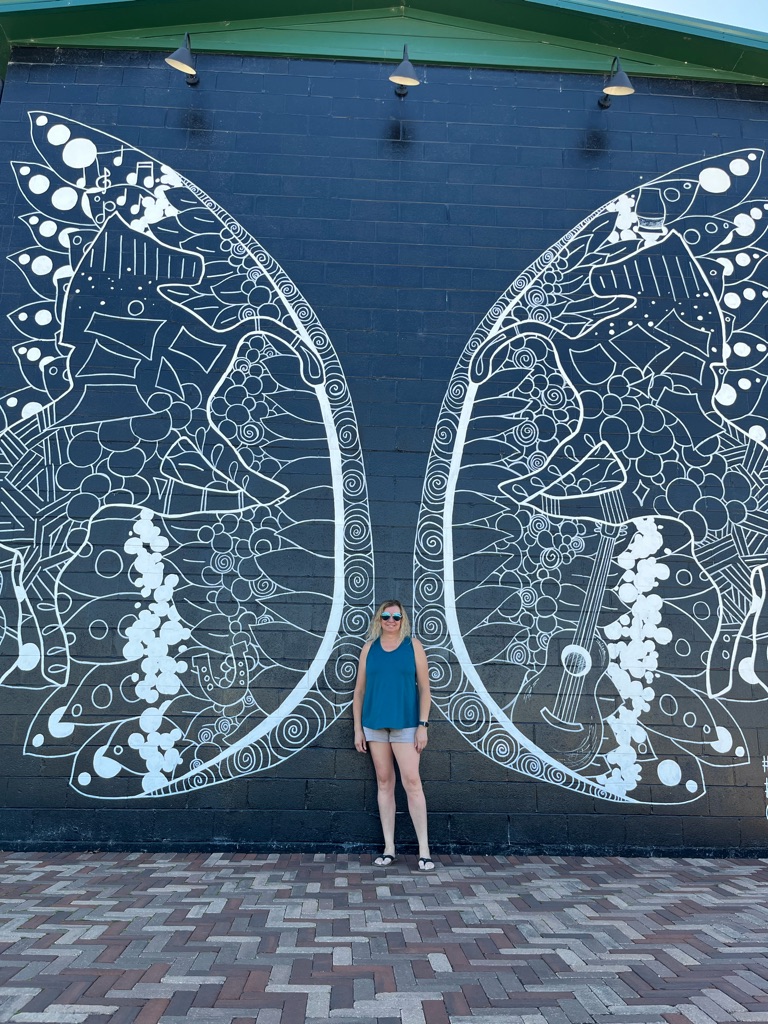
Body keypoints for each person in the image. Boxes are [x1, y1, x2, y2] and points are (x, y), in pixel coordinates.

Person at [353, 599, 434, 871]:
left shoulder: (414, 646)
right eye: (386, 616)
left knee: (412, 782)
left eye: (396, 617)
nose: (391, 620)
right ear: (379, 619)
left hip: (407, 724)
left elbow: (425, 688)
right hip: (374, 725)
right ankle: (389, 848)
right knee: (384, 782)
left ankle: (424, 850)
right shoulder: (369, 648)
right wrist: (358, 728)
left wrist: (423, 725)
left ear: (403, 620)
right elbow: (359, 692)